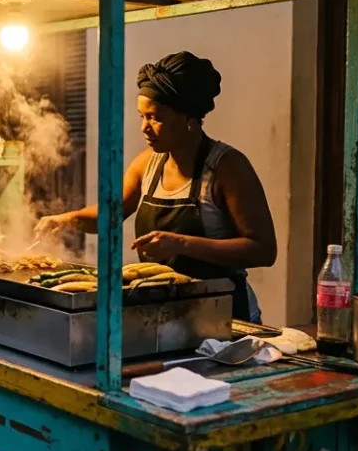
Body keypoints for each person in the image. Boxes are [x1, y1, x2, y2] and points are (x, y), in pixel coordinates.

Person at [35, 51, 277, 322]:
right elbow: (111, 214)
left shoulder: (227, 167)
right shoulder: (147, 164)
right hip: (162, 314)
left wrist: (182, 244)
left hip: (224, 314)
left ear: (188, 119)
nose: (144, 127)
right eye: (141, 116)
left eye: (155, 118)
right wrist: (66, 220)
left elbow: (263, 250)